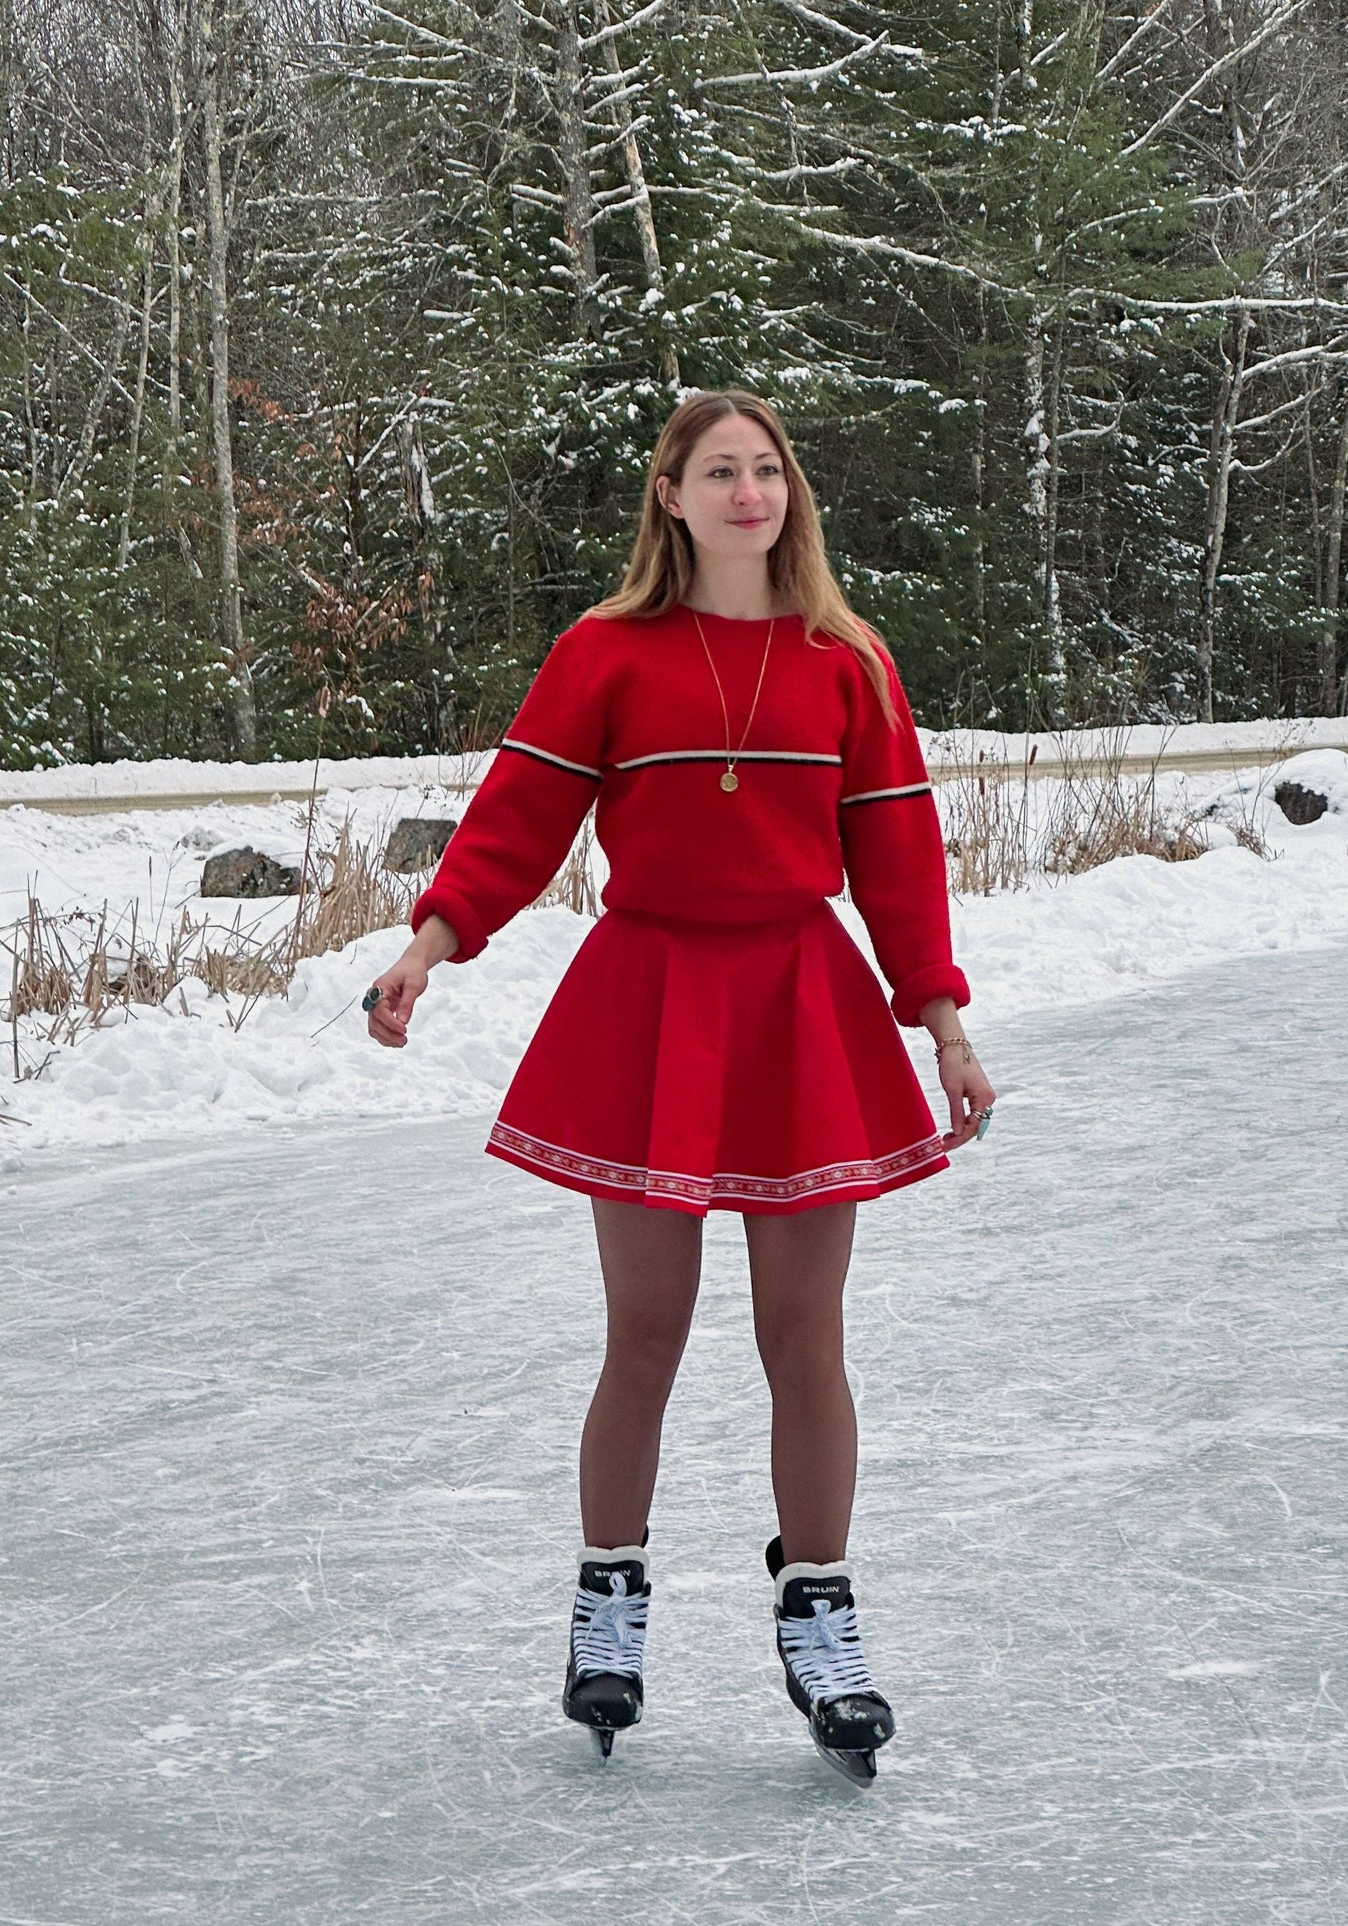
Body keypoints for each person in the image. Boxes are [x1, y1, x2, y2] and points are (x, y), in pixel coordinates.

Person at [364, 388, 996, 1783]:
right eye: (719, 470)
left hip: (795, 1005)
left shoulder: (848, 663)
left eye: (766, 469)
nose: (747, 492)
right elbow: (518, 819)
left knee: (801, 1336)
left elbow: (897, 863)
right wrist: (429, 943)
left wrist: (940, 1022)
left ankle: (820, 1616)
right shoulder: (604, 653)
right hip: (649, 998)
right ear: (668, 494)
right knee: (643, 1330)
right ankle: (606, 1605)